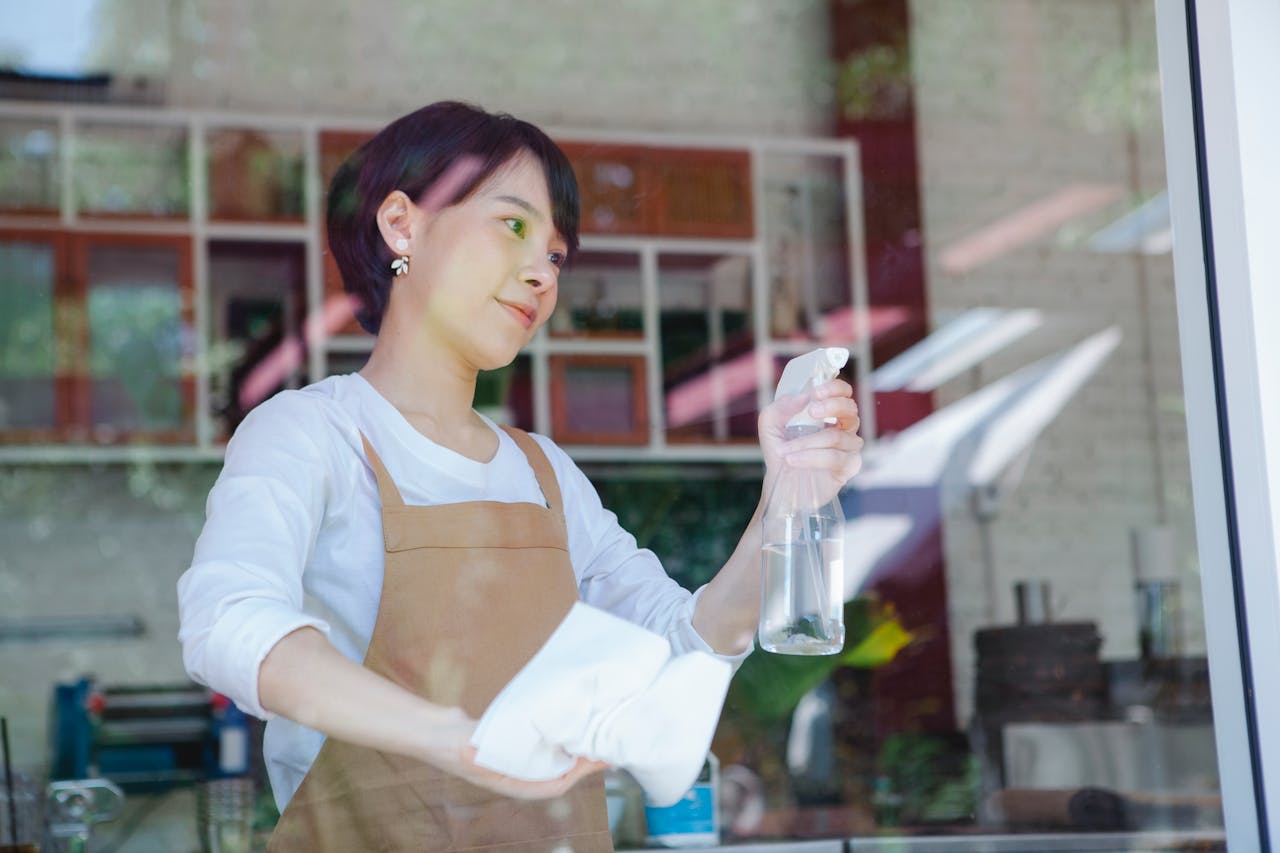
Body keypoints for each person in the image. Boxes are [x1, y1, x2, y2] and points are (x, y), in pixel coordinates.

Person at [177, 100, 864, 852]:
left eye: (557, 255)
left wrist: (786, 501)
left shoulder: (546, 473)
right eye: (512, 226)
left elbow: (681, 647)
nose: (541, 272)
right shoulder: (311, 433)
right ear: (402, 224)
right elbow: (229, 623)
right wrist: (455, 737)